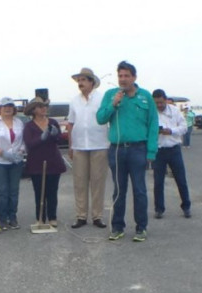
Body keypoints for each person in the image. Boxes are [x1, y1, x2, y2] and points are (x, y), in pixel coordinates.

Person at [96, 61, 158, 242]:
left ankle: (141, 228)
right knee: (119, 190)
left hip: (138, 149)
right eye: (120, 76)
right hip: (117, 150)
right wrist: (113, 104)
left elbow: (153, 124)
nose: (123, 79)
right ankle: (117, 227)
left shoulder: (145, 96)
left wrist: (151, 151)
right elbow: (100, 119)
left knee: (139, 190)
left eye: (126, 76)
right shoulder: (110, 95)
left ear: (134, 77)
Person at [67, 67, 109, 229]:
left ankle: (97, 216)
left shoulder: (102, 98)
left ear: (92, 82)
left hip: (99, 144)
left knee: (98, 182)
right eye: (79, 80)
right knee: (79, 182)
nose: (80, 83)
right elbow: (71, 124)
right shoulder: (74, 101)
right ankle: (81, 216)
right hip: (79, 145)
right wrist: (70, 145)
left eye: (83, 80)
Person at [23, 97, 66, 227]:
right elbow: (29, 144)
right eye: (40, 107)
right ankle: (40, 217)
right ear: (33, 110)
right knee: (39, 191)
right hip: (36, 162)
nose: (44, 109)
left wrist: (55, 135)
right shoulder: (29, 126)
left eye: (45, 106)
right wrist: (41, 138)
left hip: (53, 161)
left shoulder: (52, 122)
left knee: (52, 191)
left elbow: (59, 140)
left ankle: (52, 217)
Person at [0, 97, 25, 230]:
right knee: (2, 190)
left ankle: (12, 217)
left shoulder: (19, 123)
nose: (8, 108)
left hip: (16, 161)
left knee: (14, 190)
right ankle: (3, 219)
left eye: (10, 106)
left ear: (14, 109)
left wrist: (21, 151)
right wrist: (2, 153)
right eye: (5, 106)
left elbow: (23, 141)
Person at [151, 89, 191, 220]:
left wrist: (171, 131)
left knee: (181, 179)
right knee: (158, 182)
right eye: (156, 103)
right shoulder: (151, 112)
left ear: (166, 100)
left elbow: (184, 127)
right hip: (158, 150)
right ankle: (159, 209)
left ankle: (186, 206)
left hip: (174, 149)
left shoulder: (174, 111)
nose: (159, 105)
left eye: (161, 102)